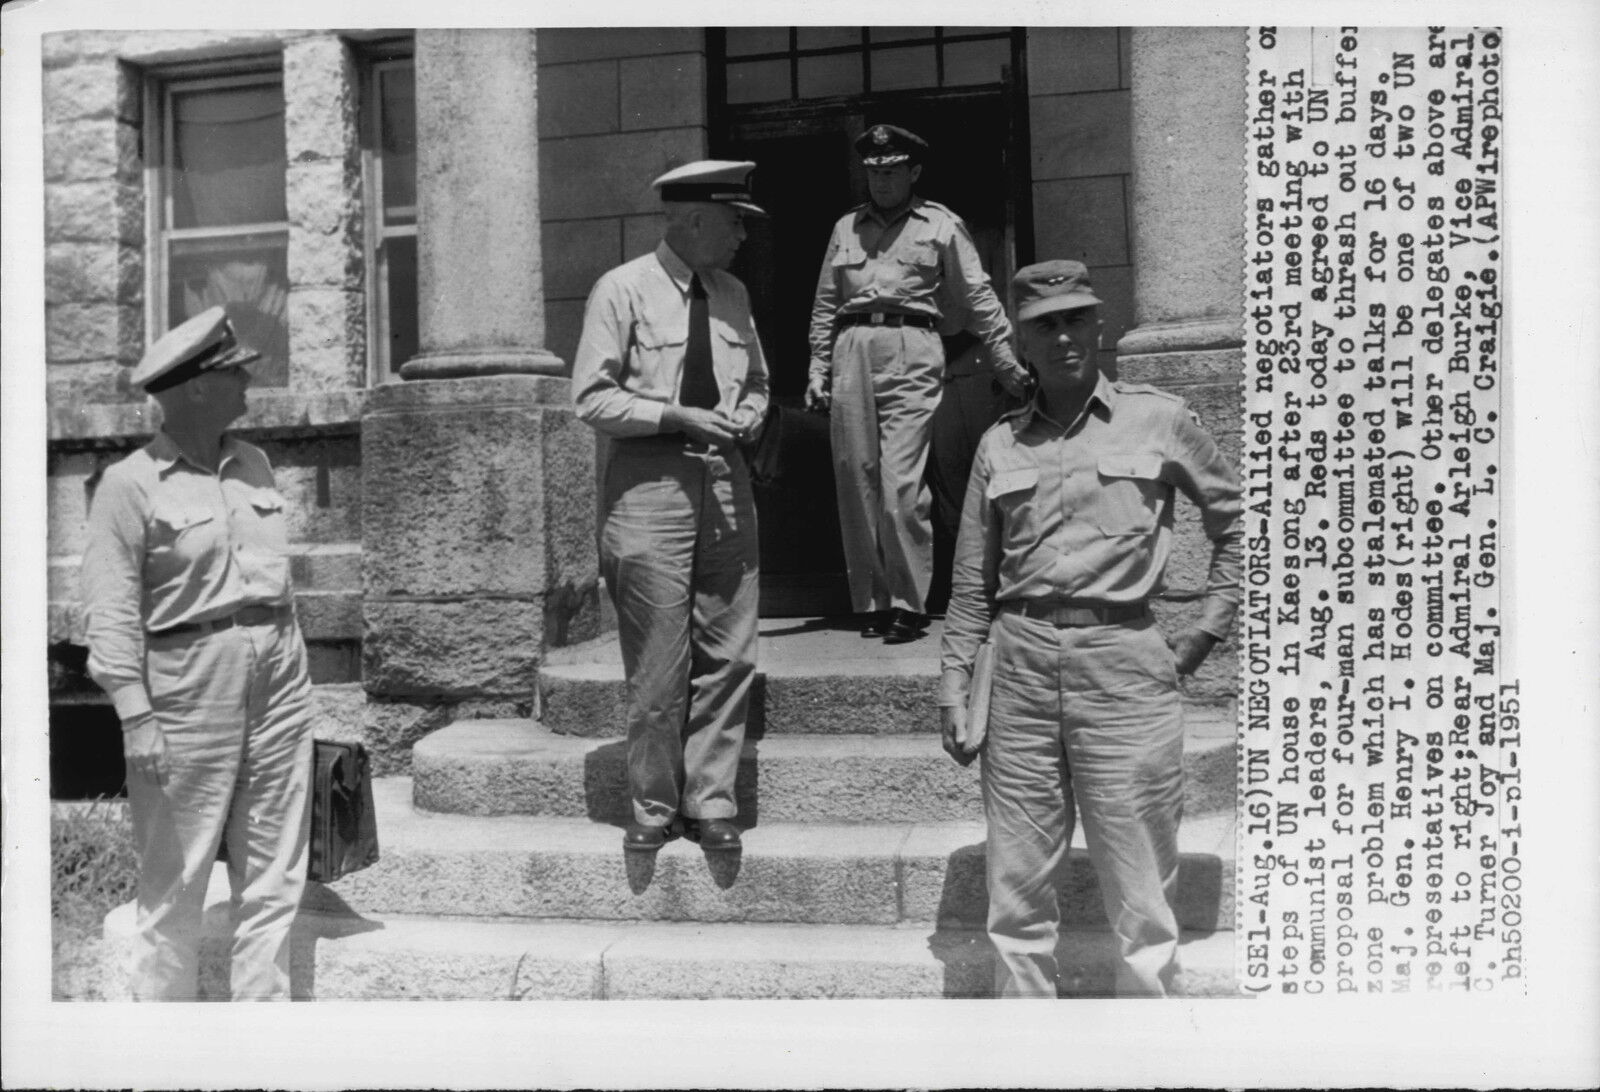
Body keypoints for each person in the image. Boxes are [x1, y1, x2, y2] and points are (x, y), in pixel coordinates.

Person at [937, 261, 1243, 998]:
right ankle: (1029, 1054)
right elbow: (972, 583)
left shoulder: (1159, 418)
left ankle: (1141, 1049)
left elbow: (1238, 525)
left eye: (1078, 319)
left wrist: (1205, 631)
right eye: (1047, 325)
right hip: (1019, 667)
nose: (1065, 336)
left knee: (1140, 881)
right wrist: (953, 681)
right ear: (1021, 342)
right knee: (1016, 885)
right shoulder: (999, 445)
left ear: (1101, 327)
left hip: (1125, 664)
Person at [82, 306, 314, 1001]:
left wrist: (294, 683)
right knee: (175, 885)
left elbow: (277, 584)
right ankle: (167, 1053)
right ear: (197, 388)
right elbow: (111, 610)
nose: (249, 384)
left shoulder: (255, 463)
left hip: (278, 676)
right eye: (236, 373)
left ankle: (260, 1046)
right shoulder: (129, 484)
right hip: (186, 690)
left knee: (274, 876)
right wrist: (135, 714)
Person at [571, 160, 769, 854]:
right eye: (735, 220)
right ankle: (653, 805)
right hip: (650, 488)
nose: (743, 234)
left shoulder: (733, 294)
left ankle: (711, 800)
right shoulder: (621, 290)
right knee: (658, 669)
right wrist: (675, 416)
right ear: (693, 220)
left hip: (725, 481)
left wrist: (748, 412)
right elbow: (591, 398)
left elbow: (758, 381)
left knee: (730, 650)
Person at [805, 124, 1029, 644]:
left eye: (891, 172)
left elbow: (978, 297)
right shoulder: (845, 228)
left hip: (913, 347)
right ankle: (872, 602)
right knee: (856, 476)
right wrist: (818, 368)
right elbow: (824, 305)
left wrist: (1006, 363)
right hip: (852, 348)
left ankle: (909, 602)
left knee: (901, 484)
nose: (881, 182)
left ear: (913, 172)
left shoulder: (940, 224)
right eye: (873, 172)